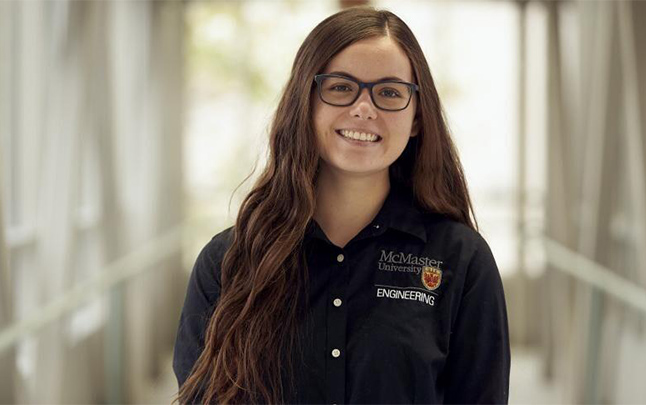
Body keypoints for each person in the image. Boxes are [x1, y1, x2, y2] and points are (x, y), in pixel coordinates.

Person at [173, 6, 510, 404]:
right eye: (340, 87)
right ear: (305, 103)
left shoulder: (461, 261)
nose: (363, 108)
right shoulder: (227, 262)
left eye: (388, 92)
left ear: (417, 117)